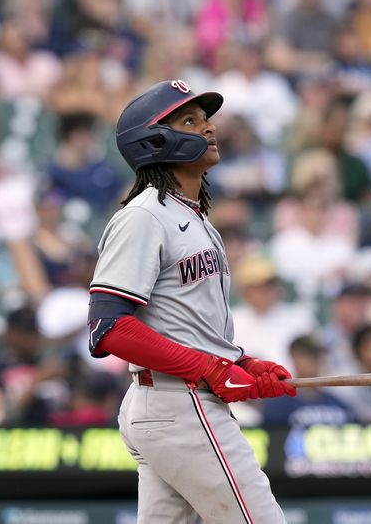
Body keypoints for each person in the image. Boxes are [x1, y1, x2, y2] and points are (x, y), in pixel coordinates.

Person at [87, 79, 295, 523]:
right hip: (180, 403)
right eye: (190, 120)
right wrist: (212, 368)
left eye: (206, 119)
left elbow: (186, 324)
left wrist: (242, 361)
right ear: (155, 140)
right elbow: (109, 327)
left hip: (175, 402)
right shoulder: (144, 215)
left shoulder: (191, 216)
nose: (208, 129)